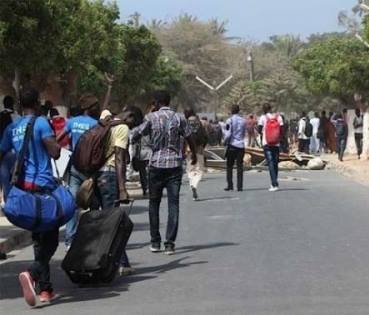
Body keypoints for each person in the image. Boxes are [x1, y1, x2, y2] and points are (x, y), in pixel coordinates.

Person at [0, 87, 61, 306]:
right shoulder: (42, 123)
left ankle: (46, 290)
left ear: (20, 104)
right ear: (36, 103)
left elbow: (2, 152)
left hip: (24, 190)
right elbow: (55, 152)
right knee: (52, 238)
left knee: (38, 239)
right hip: (43, 188)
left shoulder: (12, 128)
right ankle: (32, 272)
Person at [132, 90, 197, 255]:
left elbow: (135, 134)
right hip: (175, 165)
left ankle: (155, 241)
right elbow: (189, 137)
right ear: (168, 101)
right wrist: (194, 155)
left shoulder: (150, 118)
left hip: (156, 165)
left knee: (154, 204)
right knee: (173, 205)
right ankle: (170, 243)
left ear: (156, 102)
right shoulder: (179, 117)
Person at [57, 94, 100, 249]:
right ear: (90, 108)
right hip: (91, 170)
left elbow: (58, 139)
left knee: (73, 205)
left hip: (75, 168)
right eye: (96, 106)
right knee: (95, 204)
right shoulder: (96, 124)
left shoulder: (72, 122)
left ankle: (70, 240)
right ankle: (94, 238)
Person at [258, 103, 284, 192]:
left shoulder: (262, 118)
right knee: (275, 163)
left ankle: (274, 183)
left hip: (267, 143)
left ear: (264, 110)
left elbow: (259, 130)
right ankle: (274, 181)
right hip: (276, 144)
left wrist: (264, 132)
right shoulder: (278, 117)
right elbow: (282, 130)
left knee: (270, 163)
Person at [184, 108, 208, 201]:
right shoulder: (199, 123)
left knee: (190, 169)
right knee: (199, 169)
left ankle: (191, 183)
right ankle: (194, 184)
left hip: (189, 148)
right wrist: (203, 146)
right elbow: (205, 136)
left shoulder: (186, 123)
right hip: (199, 149)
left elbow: (183, 136)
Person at [224, 105, 246, 192]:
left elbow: (228, 134)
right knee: (240, 166)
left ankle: (230, 185)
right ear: (238, 111)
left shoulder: (230, 120)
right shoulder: (243, 120)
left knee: (229, 166)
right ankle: (239, 186)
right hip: (241, 145)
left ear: (231, 111)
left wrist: (225, 142)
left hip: (232, 145)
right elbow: (244, 133)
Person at [0, 96, 17, 202]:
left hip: (2, 151)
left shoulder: (0, 116)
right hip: (15, 151)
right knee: (14, 179)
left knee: (4, 179)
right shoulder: (18, 117)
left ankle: (6, 201)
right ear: (13, 104)